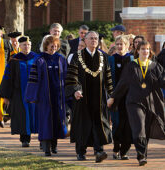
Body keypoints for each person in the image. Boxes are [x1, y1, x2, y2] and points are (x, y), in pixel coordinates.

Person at [107, 40, 165, 166]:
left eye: (147, 49)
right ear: (137, 51)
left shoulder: (155, 66)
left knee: (146, 129)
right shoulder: (131, 65)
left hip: (150, 102)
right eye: (143, 49)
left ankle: (143, 153)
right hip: (134, 101)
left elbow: (162, 82)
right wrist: (113, 97)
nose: (145, 51)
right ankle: (140, 155)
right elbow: (123, 84)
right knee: (139, 126)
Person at [65, 31, 113, 163]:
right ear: (85, 41)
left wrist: (111, 95)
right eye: (91, 38)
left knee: (99, 123)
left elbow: (108, 78)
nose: (94, 40)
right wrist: (75, 90)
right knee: (82, 124)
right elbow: (71, 76)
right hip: (82, 97)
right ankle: (81, 152)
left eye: (96, 38)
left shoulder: (103, 56)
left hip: (99, 98)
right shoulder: (77, 56)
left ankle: (99, 151)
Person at [25, 35, 67, 156]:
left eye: (55, 46)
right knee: (46, 121)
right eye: (51, 46)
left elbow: (66, 77)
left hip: (58, 96)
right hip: (44, 97)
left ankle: (54, 146)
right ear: (46, 46)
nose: (53, 48)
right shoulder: (39, 60)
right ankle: (47, 148)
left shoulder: (61, 59)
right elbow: (33, 79)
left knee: (57, 120)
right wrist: (33, 96)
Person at [0, 36, 38, 147]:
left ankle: (42, 139)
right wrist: (6, 96)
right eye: (24, 45)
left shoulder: (36, 58)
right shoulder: (14, 60)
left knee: (34, 114)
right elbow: (7, 78)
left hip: (34, 94)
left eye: (29, 45)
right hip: (19, 94)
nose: (27, 47)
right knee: (22, 116)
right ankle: (24, 139)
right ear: (19, 46)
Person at [108, 35, 133, 160]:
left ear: (127, 46)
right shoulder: (111, 60)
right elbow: (107, 80)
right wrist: (110, 96)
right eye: (117, 44)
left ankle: (124, 151)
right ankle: (116, 147)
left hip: (129, 98)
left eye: (121, 44)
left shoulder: (132, 60)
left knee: (128, 124)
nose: (119, 46)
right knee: (117, 123)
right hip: (115, 98)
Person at [0, 23, 13, 127]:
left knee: (2, 96)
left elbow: (11, 58)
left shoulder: (6, 43)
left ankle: (1, 117)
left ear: (1, 33)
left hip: (3, 75)